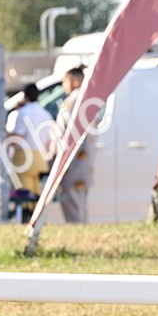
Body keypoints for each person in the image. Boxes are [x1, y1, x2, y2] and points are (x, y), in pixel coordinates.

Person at [56, 67, 94, 223]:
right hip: (83, 162)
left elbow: (69, 135)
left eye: (65, 81)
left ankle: (78, 236)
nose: (63, 85)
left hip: (73, 163)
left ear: (75, 81)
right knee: (81, 205)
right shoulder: (88, 99)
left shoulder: (72, 101)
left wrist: (61, 160)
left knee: (73, 207)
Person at [5, 83, 54, 197]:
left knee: (23, 198)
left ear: (24, 96)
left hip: (24, 160)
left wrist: (6, 136)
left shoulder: (23, 113)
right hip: (41, 160)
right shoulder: (46, 114)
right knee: (38, 198)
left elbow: (17, 139)